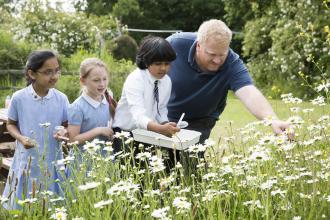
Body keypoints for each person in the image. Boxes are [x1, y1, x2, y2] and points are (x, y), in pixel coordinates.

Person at [166, 19, 291, 144]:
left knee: (187, 161)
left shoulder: (232, 63)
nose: (217, 60)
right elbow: (147, 67)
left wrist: (272, 120)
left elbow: (249, 93)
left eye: (222, 54)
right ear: (198, 45)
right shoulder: (175, 44)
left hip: (201, 121)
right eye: (212, 54)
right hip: (163, 115)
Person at [2, 50, 69, 209]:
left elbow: (67, 125)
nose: (54, 76)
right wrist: (21, 138)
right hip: (27, 159)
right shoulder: (19, 98)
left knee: (52, 206)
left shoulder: (62, 99)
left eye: (57, 71)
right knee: (24, 204)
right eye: (48, 72)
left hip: (53, 157)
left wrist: (64, 132)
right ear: (32, 74)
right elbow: (10, 124)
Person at [112, 36, 180, 166]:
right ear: (147, 61)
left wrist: (166, 124)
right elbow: (138, 115)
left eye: (167, 64)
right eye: (158, 64)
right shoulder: (136, 79)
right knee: (128, 175)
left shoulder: (166, 81)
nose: (163, 68)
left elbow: (161, 109)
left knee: (149, 174)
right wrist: (160, 129)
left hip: (148, 132)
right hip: (125, 134)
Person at [67, 57, 115, 150]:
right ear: (83, 81)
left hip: (106, 159)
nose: (102, 84)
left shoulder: (108, 98)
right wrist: (98, 131)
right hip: (84, 162)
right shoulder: (77, 107)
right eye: (96, 80)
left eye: (104, 79)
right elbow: (72, 140)